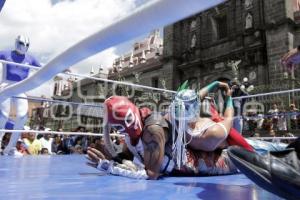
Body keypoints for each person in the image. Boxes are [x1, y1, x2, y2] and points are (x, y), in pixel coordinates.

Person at [86, 93, 250, 180]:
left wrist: (109, 167)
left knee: (261, 152)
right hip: (194, 163)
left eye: (117, 126)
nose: (117, 131)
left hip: (211, 163)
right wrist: (113, 158)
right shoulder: (131, 133)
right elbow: (126, 158)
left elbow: (151, 174)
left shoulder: (153, 130)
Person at [0, 35, 41, 155]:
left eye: (26, 45)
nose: (24, 47)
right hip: (6, 86)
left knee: (22, 117)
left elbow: (44, 68)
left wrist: (61, 69)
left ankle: (11, 148)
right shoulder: (5, 54)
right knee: (2, 116)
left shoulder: (30, 58)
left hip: (21, 87)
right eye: (22, 44)